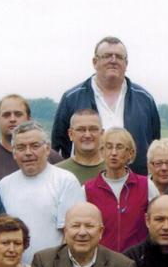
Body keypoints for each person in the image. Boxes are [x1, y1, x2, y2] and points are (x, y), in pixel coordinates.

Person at [51, 36, 161, 174]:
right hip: (84, 181)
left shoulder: (145, 100)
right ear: (95, 62)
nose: (113, 61)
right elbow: (58, 147)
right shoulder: (71, 98)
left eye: (119, 57)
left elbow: (154, 144)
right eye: (107, 56)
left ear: (126, 63)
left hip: (134, 182)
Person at [0, 121, 82, 257]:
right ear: (14, 153)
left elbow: (73, 233)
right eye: (21, 147)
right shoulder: (4, 186)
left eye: (35, 146)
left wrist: (54, 266)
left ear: (47, 149)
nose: (28, 153)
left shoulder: (65, 181)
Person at [84, 128, 156, 253]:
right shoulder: (88, 189)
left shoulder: (146, 185)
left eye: (119, 147)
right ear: (102, 151)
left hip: (137, 259)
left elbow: (157, 221)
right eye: (108, 147)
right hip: (102, 259)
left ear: (130, 153)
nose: (113, 153)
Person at [0, 95, 61, 185]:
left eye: (18, 114)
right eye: (6, 115)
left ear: (29, 119)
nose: (12, 119)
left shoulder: (52, 157)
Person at [57, 108, 106, 185]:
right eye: (81, 130)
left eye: (93, 129)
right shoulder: (57, 173)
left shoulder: (117, 171)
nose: (87, 135)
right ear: (70, 134)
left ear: (102, 133)